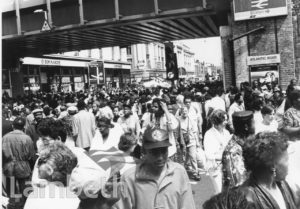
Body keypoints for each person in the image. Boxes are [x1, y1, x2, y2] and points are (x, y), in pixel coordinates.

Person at [112, 127, 196, 209]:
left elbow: (187, 205)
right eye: (154, 152)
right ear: (144, 151)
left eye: (163, 151)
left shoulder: (179, 172)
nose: (160, 157)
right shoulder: (129, 178)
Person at [240, 132, 300, 208]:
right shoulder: (246, 200)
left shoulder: (286, 186)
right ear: (273, 166)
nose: (288, 164)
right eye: (286, 160)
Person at [24, 142, 80, 209]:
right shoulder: (77, 199)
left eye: (41, 161)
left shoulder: (35, 198)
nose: (37, 166)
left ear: (50, 170)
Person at [2, 117, 36, 209]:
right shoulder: (27, 138)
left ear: (13, 126)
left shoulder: (5, 137)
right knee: (25, 189)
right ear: (24, 126)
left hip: (8, 167)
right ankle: (24, 206)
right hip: (23, 166)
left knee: (12, 191)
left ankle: (13, 205)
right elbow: (32, 155)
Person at [222, 110, 255, 191]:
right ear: (246, 127)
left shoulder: (246, 143)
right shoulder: (233, 152)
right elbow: (239, 185)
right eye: (253, 123)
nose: (255, 126)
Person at [204, 109, 231, 192]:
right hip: (215, 167)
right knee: (219, 191)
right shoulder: (209, 134)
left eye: (226, 119)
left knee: (228, 190)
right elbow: (209, 154)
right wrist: (222, 156)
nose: (226, 122)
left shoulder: (226, 132)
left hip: (227, 166)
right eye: (224, 120)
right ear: (217, 121)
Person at [178, 106, 201, 181]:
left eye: (186, 111)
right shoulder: (178, 120)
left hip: (191, 140)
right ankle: (183, 172)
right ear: (181, 112)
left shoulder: (191, 120)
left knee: (193, 157)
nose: (184, 112)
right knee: (184, 157)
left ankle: (195, 173)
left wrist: (197, 142)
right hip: (182, 141)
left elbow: (195, 132)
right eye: (183, 111)